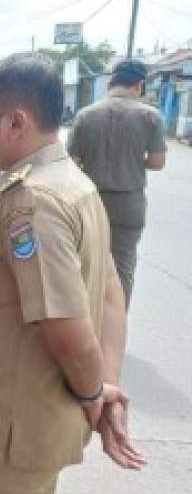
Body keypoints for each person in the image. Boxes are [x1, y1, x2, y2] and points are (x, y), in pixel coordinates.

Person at [0, 53, 147, 494]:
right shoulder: (74, 183)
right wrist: (105, 385)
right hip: (31, 427)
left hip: (7, 436)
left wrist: (95, 392)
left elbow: (65, 326)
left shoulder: (33, 200)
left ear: (15, 123)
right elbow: (111, 296)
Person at [68, 59, 166, 309]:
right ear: (139, 85)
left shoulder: (85, 115)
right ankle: (115, 335)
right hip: (128, 204)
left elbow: (72, 163)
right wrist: (132, 162)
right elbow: (157, 162)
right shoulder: (150, 116)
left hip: (89, 201)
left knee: (85, 264)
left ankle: (86, 330)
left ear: (111, 82)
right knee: (122, 267)